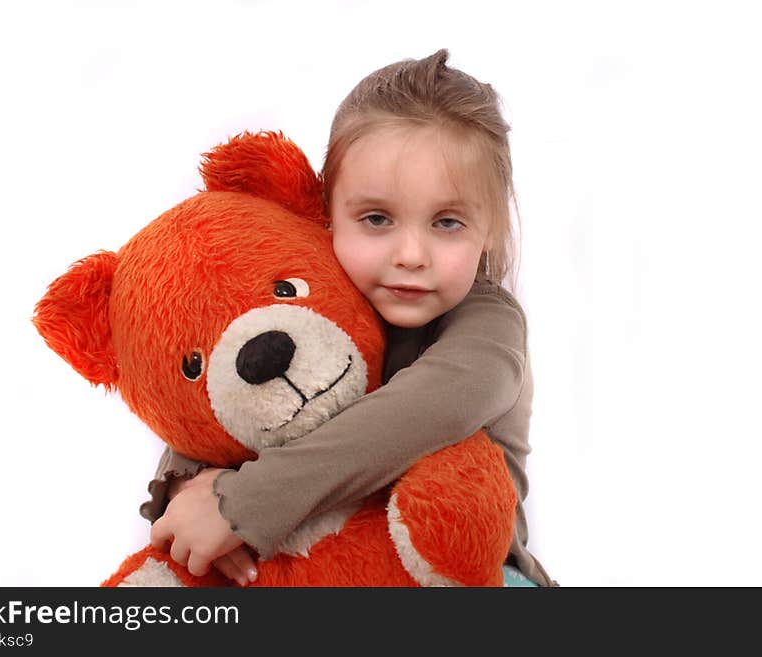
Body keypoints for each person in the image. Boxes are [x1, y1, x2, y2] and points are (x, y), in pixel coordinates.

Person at [146, 49, 555, 587]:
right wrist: (185, 489)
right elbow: (205, 413)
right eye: (377, 218)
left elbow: (426, 409)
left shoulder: (489, 327)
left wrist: (241, 503)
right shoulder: (311, 307)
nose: (412, 253)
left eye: (447, 222)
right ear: (326, 215)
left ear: (492, 231)